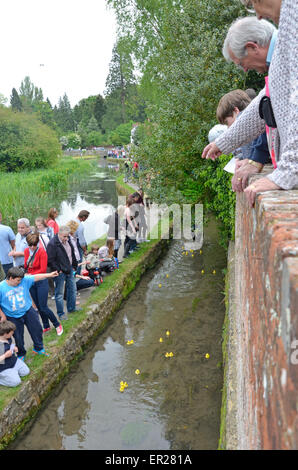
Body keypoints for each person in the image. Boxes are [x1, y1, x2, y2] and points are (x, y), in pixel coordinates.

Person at [203, 9, 298, 205]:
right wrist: (224, 142)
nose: (244, 69)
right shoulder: (280, 59)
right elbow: (260, 106)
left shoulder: (289, 51)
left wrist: (286, 173)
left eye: (241, 63)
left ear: (252, 47)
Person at [216, 89, 271, 190]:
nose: (228, 128)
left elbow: (248, 155)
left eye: (227, 122)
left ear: (236, 111)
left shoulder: (246, 126)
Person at [0, 267, 58, 359]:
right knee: (18, 337)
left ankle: (38, 348)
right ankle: (21, 354)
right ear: (10, 278)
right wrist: (2, 315)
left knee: (37, 329)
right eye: (18, 280)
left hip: (27, 310)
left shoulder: (24, 280)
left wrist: (49, 275)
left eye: (21, 280)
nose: (20, 282)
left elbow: (36, 277)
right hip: (12, 316)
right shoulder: (1, 287)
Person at [24, 233, 63, 336]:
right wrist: (28, 273)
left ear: (37, 243)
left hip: (41, 281)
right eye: (30, 245)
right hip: (31, 282)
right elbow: (26, 266)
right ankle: (46, 325)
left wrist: (30, 274)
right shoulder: (26, 251)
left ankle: (57, 324)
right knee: (38, 306)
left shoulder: (41, 252)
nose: (32, 247)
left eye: (34, 245)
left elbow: (42, 270)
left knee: (43, 307)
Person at [46, 226, 79, 321]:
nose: (66, 238)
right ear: (59, 234)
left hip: (69, 269)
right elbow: (50, 260)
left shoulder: (67, 241)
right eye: (64, 236)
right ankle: (61, 314)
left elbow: (71, 254)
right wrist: (58, 269)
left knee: (72, 289)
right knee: (59, 294)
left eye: (67, 236)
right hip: (60, 272)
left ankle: (72, 308)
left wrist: (74, 265)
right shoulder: (52, 244)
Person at [0, 320, 30, 387]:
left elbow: (10, 345)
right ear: (5, 333)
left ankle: (13, 373)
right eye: (11, 332)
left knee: (26, 372)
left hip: (14, 361)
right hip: (3, 367)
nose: (13, 333)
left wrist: (13, 347)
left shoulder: (7, 338)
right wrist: (5, 355)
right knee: (16, 382)